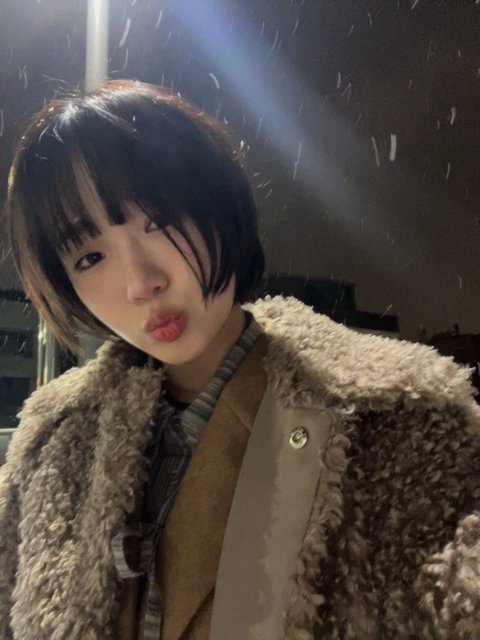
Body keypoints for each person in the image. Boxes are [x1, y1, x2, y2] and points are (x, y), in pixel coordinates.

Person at [1, 79, 479, 640]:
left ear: (218, 202)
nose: (140, 283)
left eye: (159, 221)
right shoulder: (52, 442)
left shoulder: (395, 418)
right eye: (89, 257)